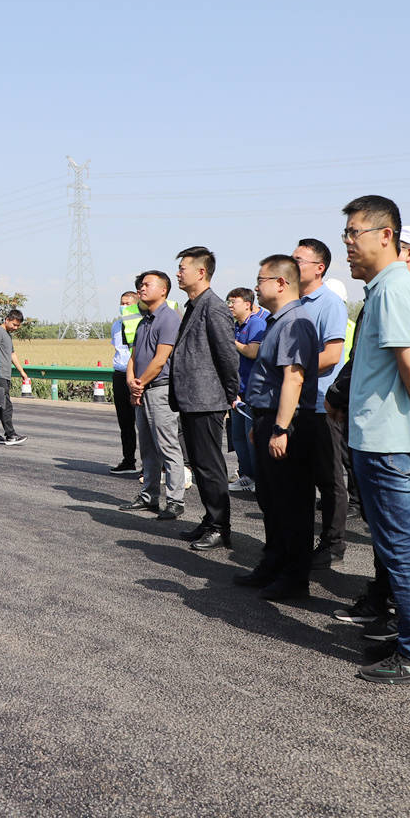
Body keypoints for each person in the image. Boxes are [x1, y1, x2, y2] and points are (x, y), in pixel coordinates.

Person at [335, 195, 410, 685]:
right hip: (385, 437)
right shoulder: (395, 288)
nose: (347, 244)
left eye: (354, 234)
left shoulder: (391, 291)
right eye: (345, 235)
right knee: (399, 546)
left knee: (402, 548)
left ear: (387, 236)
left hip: (386, 440)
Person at [233, 255, 319, 600]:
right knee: (271, 499)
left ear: (281, 283)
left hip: (289, 422)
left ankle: (294, 577)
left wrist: (281, 428)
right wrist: (264, 424)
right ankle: (273, 563)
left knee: (291, 503)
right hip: (269, 417)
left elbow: (293, 379)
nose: (257, 286)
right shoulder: (276, 321)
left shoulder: (294, 322)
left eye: (261, 279)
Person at [168, 247, 242, 549]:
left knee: (210, 466)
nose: (178, 273)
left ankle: (219, 526)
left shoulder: (213, 306)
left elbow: (227, 356)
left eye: (183, 267)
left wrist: (228, 396)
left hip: (207, 400)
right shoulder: (194, 305)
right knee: (200, 464)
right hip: (192, 399)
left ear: (201, 272)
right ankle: (210, 519)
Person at [290, 239, 349, 568]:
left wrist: (293, 368)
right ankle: (299, 541)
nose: (292, 264)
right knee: (299, 478)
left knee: (329, 479)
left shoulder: (329, 303)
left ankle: (333, 544)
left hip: (320, 405)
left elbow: (331, 355)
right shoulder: (294, 303)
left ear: (319, 267)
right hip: (294, 405)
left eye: (299, 260)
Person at [119, 271, 186, 518]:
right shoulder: (144, 320)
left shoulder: (168, 318)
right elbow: (134, 357)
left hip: (159, 389)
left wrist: (140, 383)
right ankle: (149, 496)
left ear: (164, 290)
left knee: (167, 446)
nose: (141, 289)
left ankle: (175, 500)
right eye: (140, 285)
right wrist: (131, 383)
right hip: (143, 389)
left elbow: (160, 360)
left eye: (147, 285)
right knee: (147, 447)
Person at [228, 288, 268, 493]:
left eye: (233, 302)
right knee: (238, 437)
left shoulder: (257, 324)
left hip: (255, 392)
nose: (230, 306)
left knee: (251, 437)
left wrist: (231, 342)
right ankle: (245, 475)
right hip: (239, 391)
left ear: (247, 304)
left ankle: (258, 478)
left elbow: (253, 352)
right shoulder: (236, 326)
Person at [108, 292, 142, 474]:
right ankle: (128, 460)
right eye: (122, 303)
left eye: (128, 303)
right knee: (125, 422)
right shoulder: (116, 325)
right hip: (120, 375)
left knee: (144, 423)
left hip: (138, 376)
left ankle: (151, 466)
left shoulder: (141, 323)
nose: (124, 306)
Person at [0, 310, 29, 446]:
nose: (16, 328)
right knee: (6, 405)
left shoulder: (7, 335)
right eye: (14, 325)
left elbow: (12, 354)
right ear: (7, 319)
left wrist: (21, 371)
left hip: (5, 375)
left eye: (18, 326)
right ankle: (11, 435)